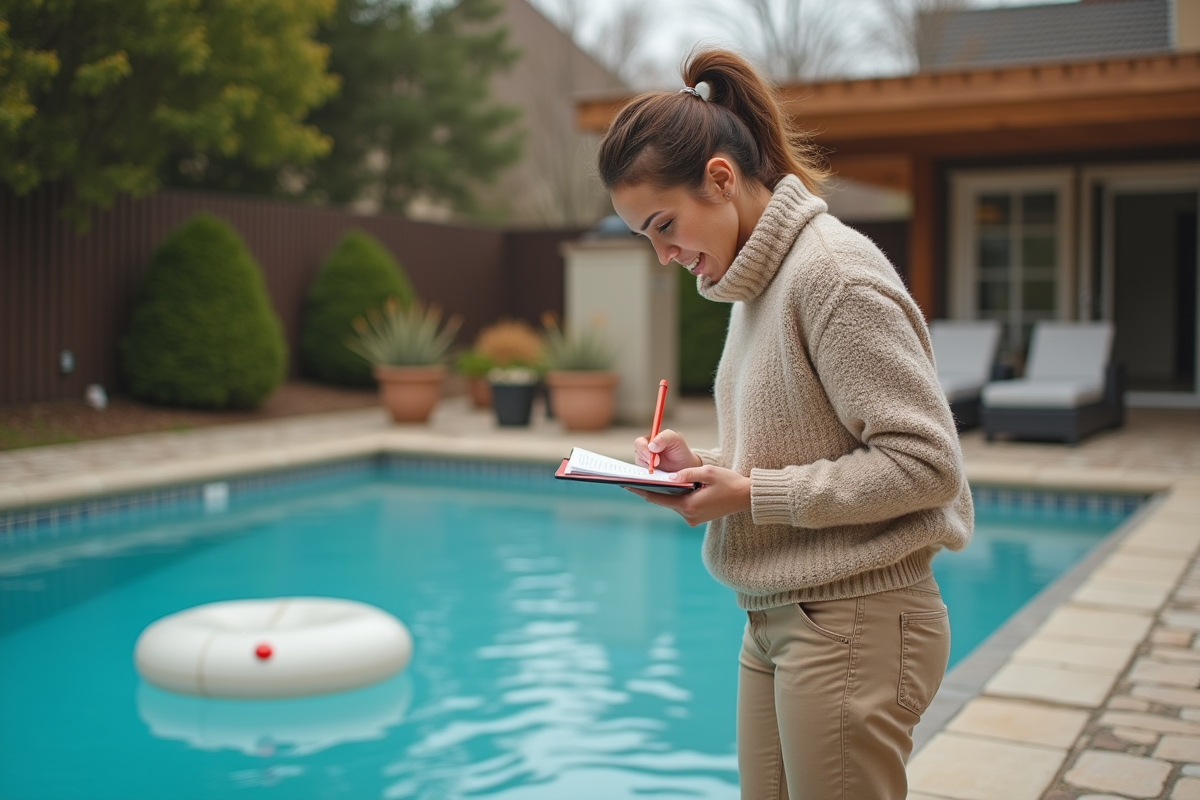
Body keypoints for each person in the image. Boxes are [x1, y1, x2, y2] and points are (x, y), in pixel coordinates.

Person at [598, 48, 973, 800]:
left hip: (856, 618)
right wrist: (701, 465)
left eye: (664, 225)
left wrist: (748, 494)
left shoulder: (833, 275)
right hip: (777, 615)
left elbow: (927, 465)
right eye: (646, 237)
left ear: (721, 179)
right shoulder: (758, 288)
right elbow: (801, 444)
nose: (664, 255)